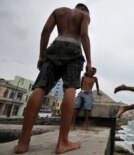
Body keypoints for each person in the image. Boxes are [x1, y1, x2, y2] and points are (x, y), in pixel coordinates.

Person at [14, 3, 92, 154]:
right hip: (74, 49)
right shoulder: (84, 15)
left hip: (55, 46)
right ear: (83, 9)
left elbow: (45, 31)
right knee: (69, 88)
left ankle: (23, 142)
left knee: (40, 88)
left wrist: (42, 56)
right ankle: (62, 142)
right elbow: (84, 36)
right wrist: (89, 62)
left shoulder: (59, 11)